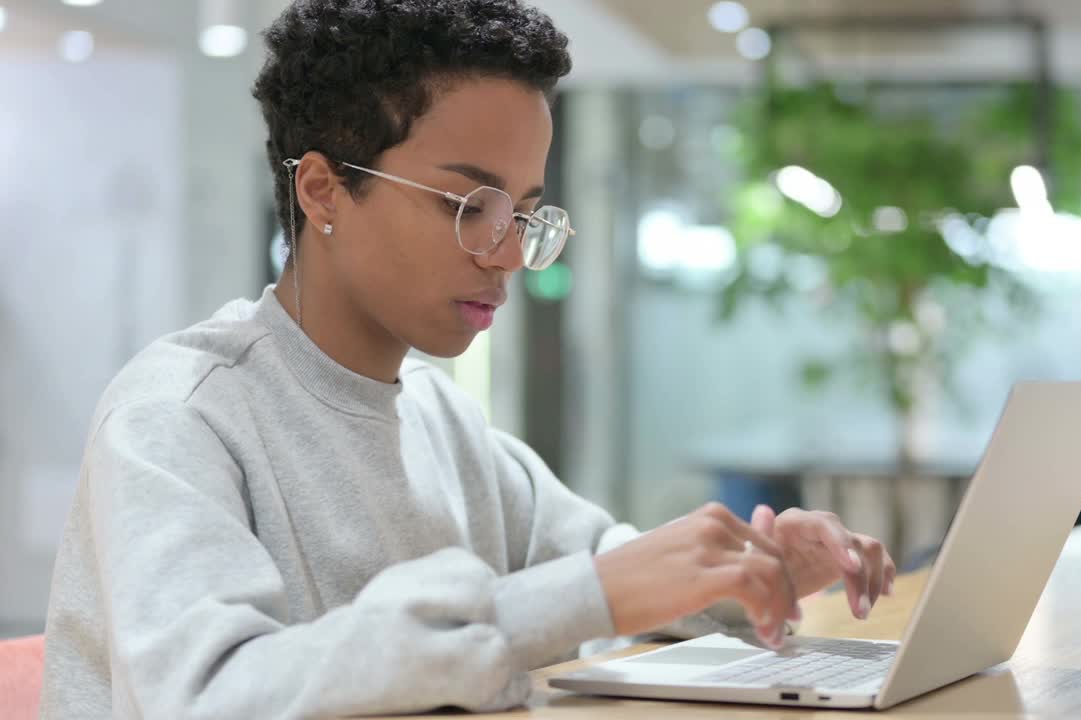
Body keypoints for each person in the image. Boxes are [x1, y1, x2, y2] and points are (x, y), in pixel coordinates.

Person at [38, 1, 894, 717]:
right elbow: (206, 698)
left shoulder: (439, 415)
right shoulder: (177, 419)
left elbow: (600, 564)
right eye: (468, 204)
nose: (509, 254)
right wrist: (585, 595)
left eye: (523, 213)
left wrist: (753, 569)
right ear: (323, 190)